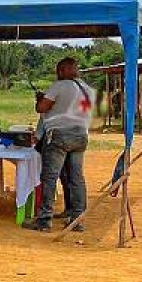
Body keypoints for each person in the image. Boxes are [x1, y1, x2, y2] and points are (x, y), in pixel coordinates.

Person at [29, 57, 96, 232]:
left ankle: (44, 219)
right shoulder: (88, 89)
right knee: (76, 178)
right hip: (81, 135)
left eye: (59, 71)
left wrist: (40, 99)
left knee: (50, 178)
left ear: (64, 70)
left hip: (59, 135)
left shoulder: (59, 86)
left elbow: (42, 108)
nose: (57, 74)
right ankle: (77, 219)